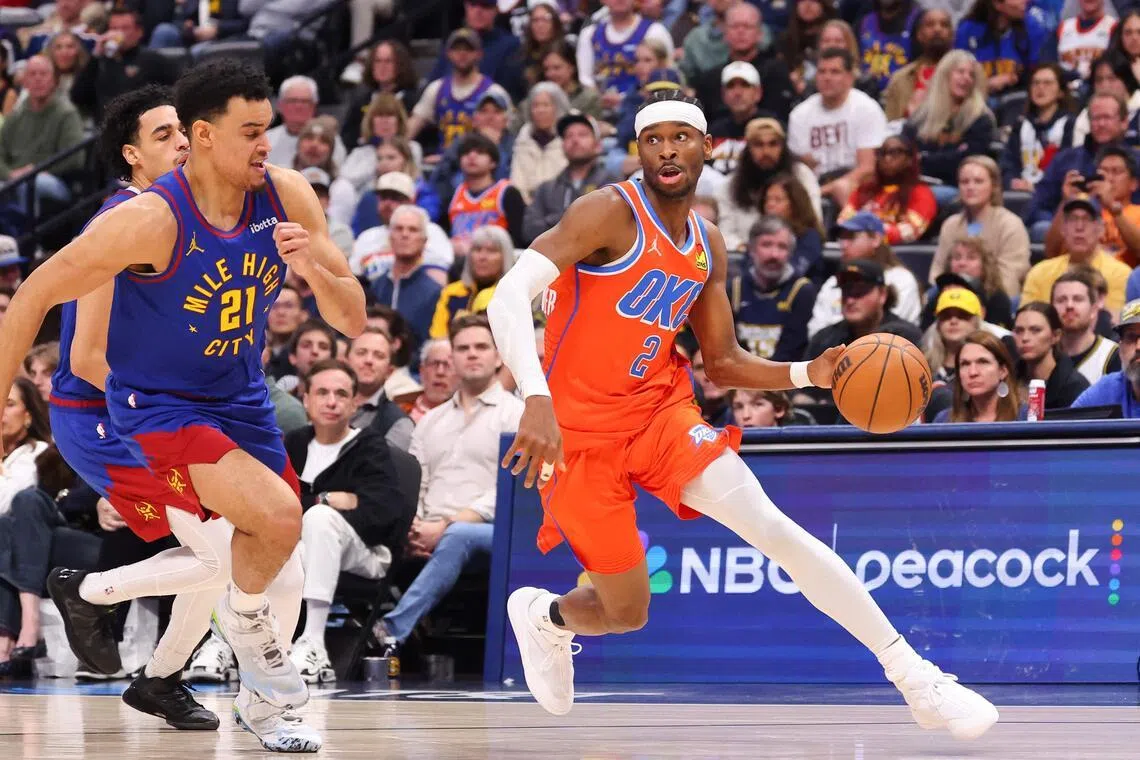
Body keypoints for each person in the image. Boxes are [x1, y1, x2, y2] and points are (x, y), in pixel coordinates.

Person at [485, 88, 999, 735]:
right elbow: (506, 296)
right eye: (653, 139)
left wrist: (805, 374)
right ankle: (545, 616)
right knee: (625, 612)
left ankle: (916, 678)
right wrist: (534, 394)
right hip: (576, 435)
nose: (667, 149)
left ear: (707, 148)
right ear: (639, 150)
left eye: (681, 137)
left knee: (772, 527)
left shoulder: (707, 244)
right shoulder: (606, 213)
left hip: (659, 413)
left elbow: (722, 362)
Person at [0, 59, 365, 744]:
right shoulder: (144, 220)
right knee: (267, 522)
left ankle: (245, 692)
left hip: (240, 398)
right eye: (251, 131)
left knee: (274, 549)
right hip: (152, 406)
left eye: (268, 130)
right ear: (202, 136)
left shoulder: (285, 195)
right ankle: (233, 647)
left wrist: (312, 268)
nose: (268, 144)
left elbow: (351, 318)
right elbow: (34, 297)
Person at [288, 359, 405, 684]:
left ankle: (313, 642)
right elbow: (272, 505)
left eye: (341, 394)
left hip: (366, 553)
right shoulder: (293, 444)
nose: (331, 401)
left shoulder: (370, 446)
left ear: (355, 402)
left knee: (320, 520)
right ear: (306, 398)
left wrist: (314, 508)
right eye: (322, 392)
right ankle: (238, 643)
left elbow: (383, 513)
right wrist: (327, 498)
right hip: (299, 548)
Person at [787, 47, 888, 205]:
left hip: (858, 185)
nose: (827, 77)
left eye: (835, 72)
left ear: (849, 77)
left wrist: (828, 189)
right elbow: (801, 169)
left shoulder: (866, 109)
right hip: (815, 186)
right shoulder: (800, 114)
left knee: (842, 188)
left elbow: (868, 168)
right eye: (822, 72)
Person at [930, 155, 1031, 297]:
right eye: (964, 182)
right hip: (951, 297)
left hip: (994, 299)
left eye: (978, 181)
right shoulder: (950, 224)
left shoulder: (1010, 224)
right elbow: (938, 270)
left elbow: (1009, 278)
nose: (970, 187)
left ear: (994, 186)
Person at [1022, 195, 1133, 314]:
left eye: (1087, 219)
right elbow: (1027, 321)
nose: (1079, 227)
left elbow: (1113, 324)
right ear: (1063, 229)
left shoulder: (1120, 274)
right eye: (1072, 219)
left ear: (1101, 229)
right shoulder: (1040, 272)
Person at [729, 216, 818, 361]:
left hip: (785, 377)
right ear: (751, 249)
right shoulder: (734, 288)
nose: (774, 254)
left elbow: (792, 352)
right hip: (738, 376)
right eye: (766, 245)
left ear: (790, 253)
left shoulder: (802, 291)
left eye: (782, 247)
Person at [838, 133, 937, 244]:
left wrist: (866, 233)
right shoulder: (863, 190)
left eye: (894, 153)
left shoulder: (921, 193)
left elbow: (909, 232)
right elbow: (843, 221)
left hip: (895, 254)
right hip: (858, 248)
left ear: (909, 159)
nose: (887, 158)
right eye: (882, 153)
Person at [1000, 63, 1076, 192]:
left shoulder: (1069, 124)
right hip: (1020, 191)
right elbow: (1008, 162)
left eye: (1047, 83)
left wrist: (1037, 187)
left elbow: (1067, 167)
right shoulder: (1021, 124)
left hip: (1053, 194)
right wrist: (1012, 182)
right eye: (1035, 83)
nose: (1040, 88)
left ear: (1061, 92)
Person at [933, 330, 1023, 422]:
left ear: (1002, 371)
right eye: (965, 364)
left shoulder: (1027, 417)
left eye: (983, 362)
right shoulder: (944, 420)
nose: (973, 372)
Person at [883, 8, 954, 121]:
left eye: (944, 25)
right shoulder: (900, 79)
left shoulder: (966, 76)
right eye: (930, 25)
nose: (937, 29)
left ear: (952, 35)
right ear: (919, 35)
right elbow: (890, 127)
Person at [1052, 268, 1122, 383]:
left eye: (1078, 299)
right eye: (1061, 300)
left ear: (1094, 309)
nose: (1069, 305)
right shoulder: (1043, 354)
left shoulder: (1113, 356)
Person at [1073, 297, 1140, 414]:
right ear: (1120, 349)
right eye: (1131, 337)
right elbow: (1066, 428)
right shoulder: (1108, 389)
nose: (1139, 347)